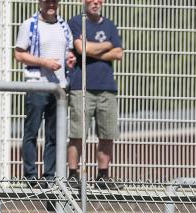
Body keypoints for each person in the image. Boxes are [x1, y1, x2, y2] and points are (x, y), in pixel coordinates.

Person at [14, 0, 73, 182]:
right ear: (40, 3)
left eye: (54, 2)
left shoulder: (63, 25)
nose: (51, 5)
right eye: (47, 1)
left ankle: (49, 175)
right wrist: (44, 62)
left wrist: (70, 59)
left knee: (54, 134)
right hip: (37, 84)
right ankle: (30, 175)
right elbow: (19, 54)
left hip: (59, 87)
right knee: (31, 131)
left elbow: (68, 52)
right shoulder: (29, 24)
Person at [67, 0, 124, 188]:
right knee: (78, 133)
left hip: (107, 87)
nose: (95, 2)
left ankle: (103, 176)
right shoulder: (76, 22)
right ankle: (73, 175)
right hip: (81, 87)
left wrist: (91, 50)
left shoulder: (109, 25)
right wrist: (106, 45)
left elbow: (118, 53)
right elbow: (82, 49)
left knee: (107, 134)